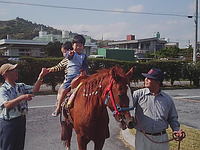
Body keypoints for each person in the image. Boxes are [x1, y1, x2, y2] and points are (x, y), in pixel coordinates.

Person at [132, 68, 185, 150]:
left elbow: (172, 118)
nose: (146, 79)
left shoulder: (167, 99)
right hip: (143, 137)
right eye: (146, 77)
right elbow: (127, 109)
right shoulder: (137, 95)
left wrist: (177, 130)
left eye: (149, 78)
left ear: (157, 82)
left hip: (161, 138)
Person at [0, 63, 48, 150]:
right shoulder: (3, 89)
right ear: (5, 74)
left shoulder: (20, 86)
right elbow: (6, 104)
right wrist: (22, 97)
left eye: (16, 70)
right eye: (13, 70)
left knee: (19, 146)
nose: (16, 72)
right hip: (8, 123)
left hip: (21, 120)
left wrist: (41, 76)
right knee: (8, 147)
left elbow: (34, 90)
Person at [52, 34, 88, 116]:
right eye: (76, 45)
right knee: (64, 90)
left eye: (80, 46)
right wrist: (70, 54)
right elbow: (68, 56)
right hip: (71, 76)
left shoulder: (84, 56)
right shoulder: (71, 53)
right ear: (73, 46)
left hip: (80, 76)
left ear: (83, 47)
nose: (78, 47)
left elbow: (85, 65)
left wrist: (83, 70)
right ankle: (58, 108)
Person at [46, 41, 72, 117]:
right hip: (80, 78)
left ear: (68, 51)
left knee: (61, 91)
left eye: (64, 52)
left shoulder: (67, 59)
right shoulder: (79, 56)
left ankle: (58, 108)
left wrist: (48, 70)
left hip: (69, 79)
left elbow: (58, 67)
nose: (63, 54)